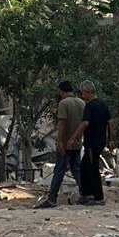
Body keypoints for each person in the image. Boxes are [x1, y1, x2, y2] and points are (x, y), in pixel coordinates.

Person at [35, 81, 85, 209]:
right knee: (77, 170)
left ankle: (52, 198)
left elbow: (63, 124)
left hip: (66, 141)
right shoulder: (82, 103)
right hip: (77, 142)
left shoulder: (63, 103)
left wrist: (60, 142)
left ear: (62, 91)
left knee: (59, 170)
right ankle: (85, 194)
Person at [67, 81, 112, 205]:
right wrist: (110, 139)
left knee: (92, 168)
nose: (82, 96)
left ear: (87, 92)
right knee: (84, 166)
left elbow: (85, 123)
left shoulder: (90, 105)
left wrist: (73, 137)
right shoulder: (102, 104)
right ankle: (87, 194)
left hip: (92, 142)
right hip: (100, 141)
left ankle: (98, 197)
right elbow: (110, 122)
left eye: (82, 93)